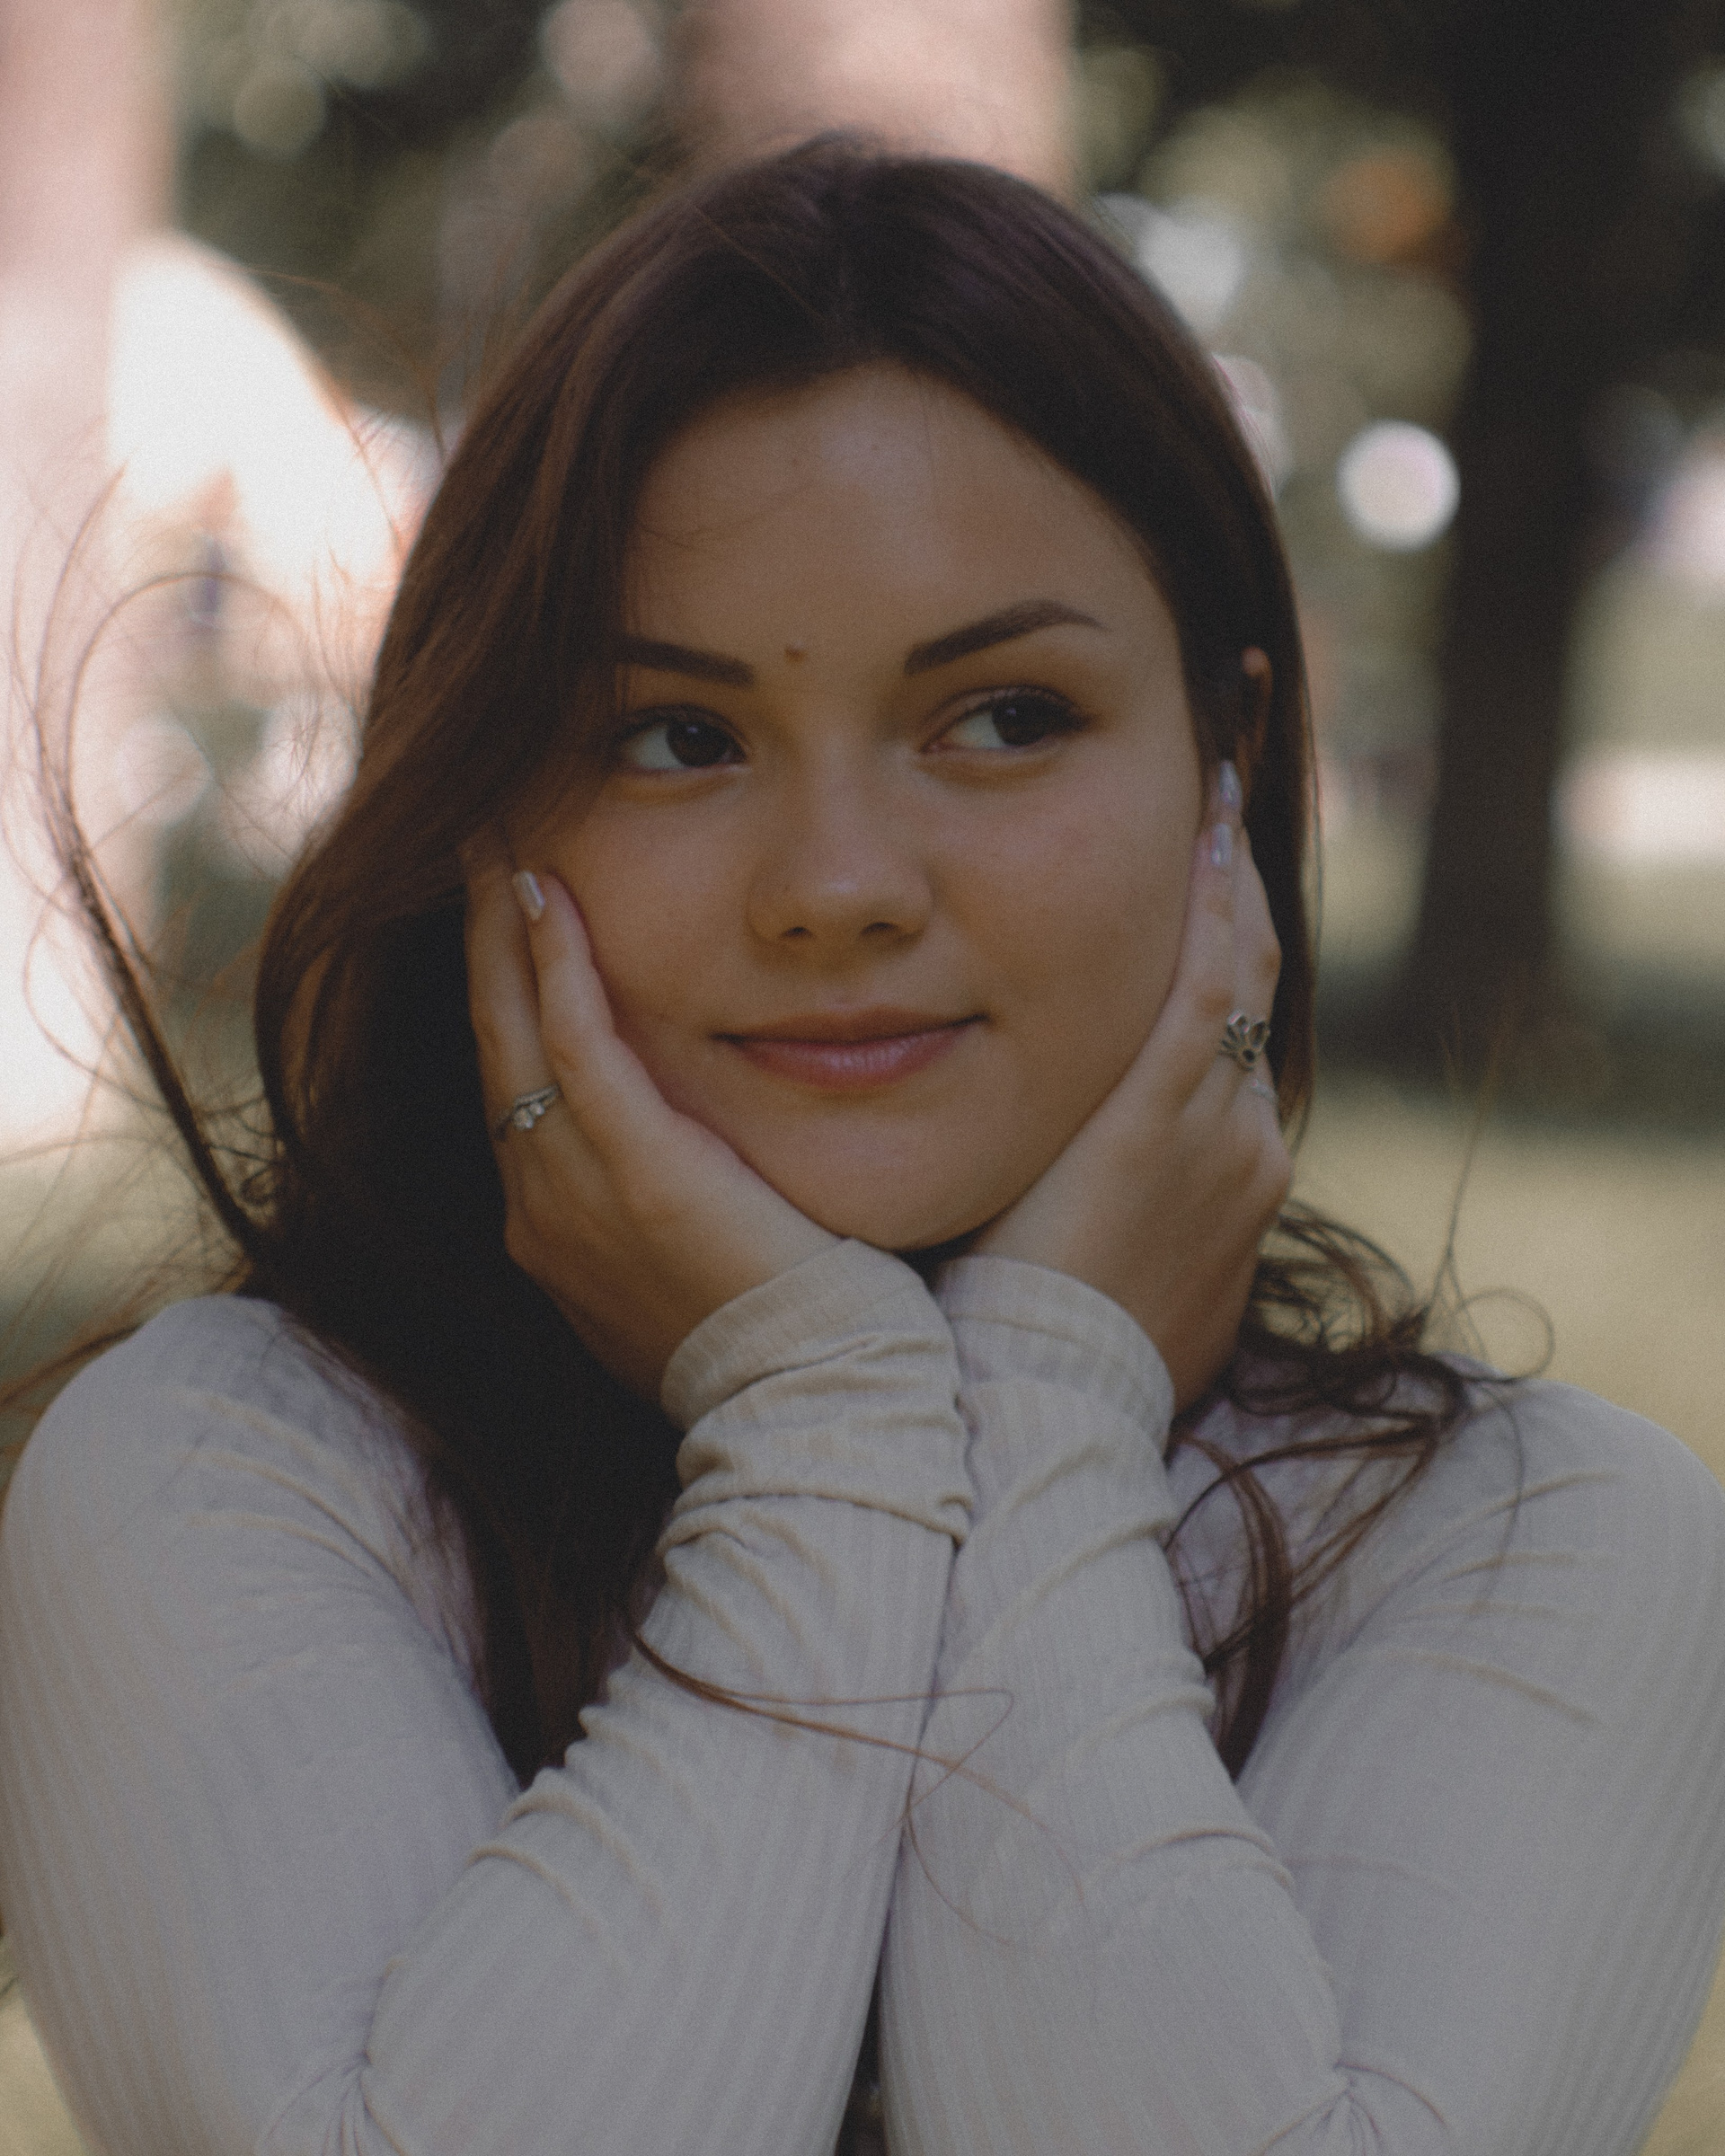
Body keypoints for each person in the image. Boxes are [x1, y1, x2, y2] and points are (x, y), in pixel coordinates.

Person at [2, 139, 1723, 2156]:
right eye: (679, 737)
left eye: (1003, 717)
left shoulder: (1534, 1544)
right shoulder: (228, 1476)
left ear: (1229, 761)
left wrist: (1045, 1401)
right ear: (485, 813)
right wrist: (823, 1419)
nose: (836, 887)